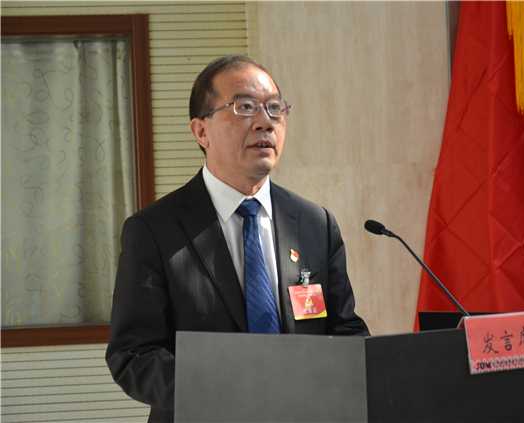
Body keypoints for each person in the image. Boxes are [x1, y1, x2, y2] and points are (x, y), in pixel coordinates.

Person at [106, 55, 369, 423]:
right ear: (201, 131)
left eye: (275, 108)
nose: (265, 122)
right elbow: (133, 354)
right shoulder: (154, 230)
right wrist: (226, 394)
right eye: (244, 107)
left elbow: (346, 332)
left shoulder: (314, 224)